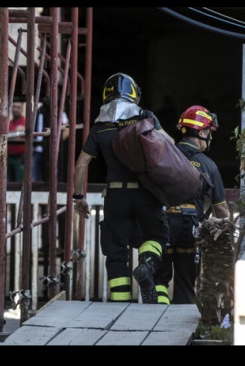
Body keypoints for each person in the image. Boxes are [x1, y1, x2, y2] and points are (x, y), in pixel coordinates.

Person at [72, 72, 171, 304]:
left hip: (116, 195)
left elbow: (81, 166)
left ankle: (120, 304)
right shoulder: (146, 118)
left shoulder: (99, 127)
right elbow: (170, 146)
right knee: (156, 235)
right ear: (134, 94)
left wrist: (79, 197)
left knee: (116, 250)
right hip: (146, 192)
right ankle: (147, 264)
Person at [154, 105, 230, 305]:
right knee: (186, 282)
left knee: (159, 279)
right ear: (201, 131)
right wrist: (228, 236)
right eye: (209, 132)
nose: (210, 138)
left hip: (163, 224)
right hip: (190, 228)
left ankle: (156, 317)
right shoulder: (208, 165)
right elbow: (220, 209)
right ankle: (176, 325)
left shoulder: (163, 156)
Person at [7, 101, 26, 182]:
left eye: (18, 107)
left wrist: (7, 134)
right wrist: (13, 133)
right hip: (9, 157)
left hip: (20, 158)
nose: (15, 109)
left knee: (19, 183)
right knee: (8, 183)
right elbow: (4, 134)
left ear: (22, 109)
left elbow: (16, 134)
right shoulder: (10, 122)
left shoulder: (25, 121)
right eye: (14, 107)